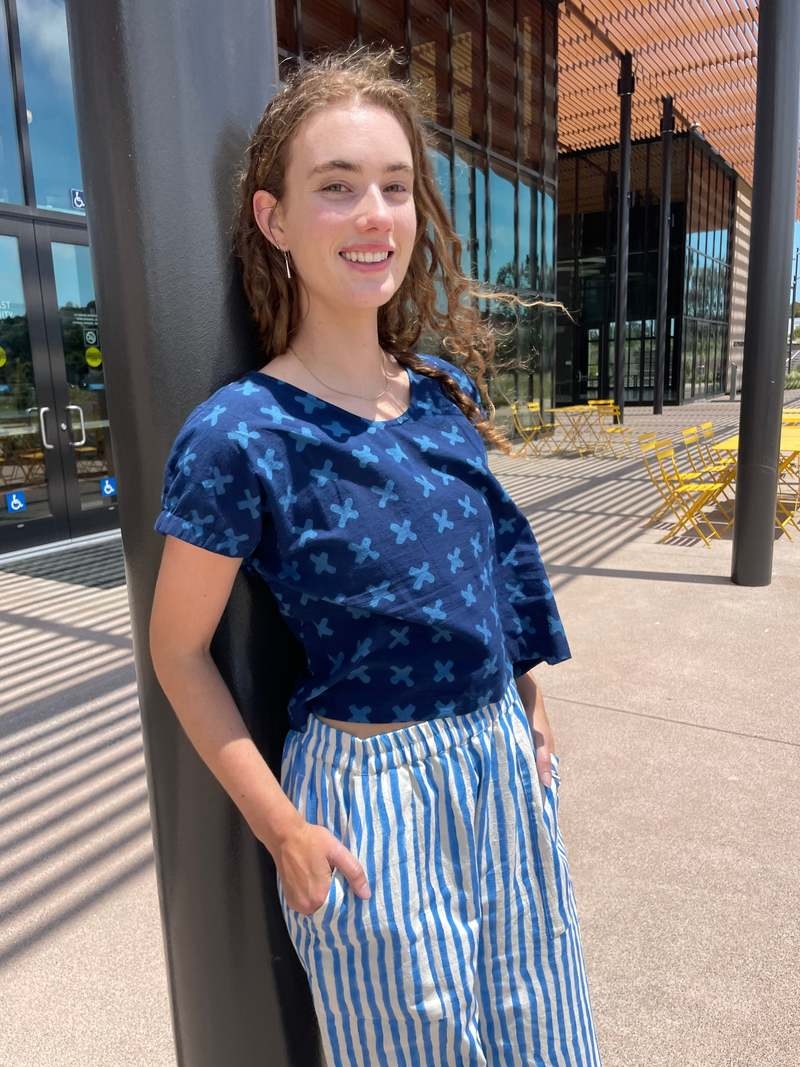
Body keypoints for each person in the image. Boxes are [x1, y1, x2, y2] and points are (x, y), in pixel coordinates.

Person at [149, 44, 602, 1067]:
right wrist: (281, 827)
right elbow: (177, 650)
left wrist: (527, 693)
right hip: (371, 797)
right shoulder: (240, 434)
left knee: (547, 1034)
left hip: (500, 763)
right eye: (337, 186)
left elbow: (491, 559)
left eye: (394, 187)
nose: (373, 214)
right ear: (274, 219)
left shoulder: (440, 394)